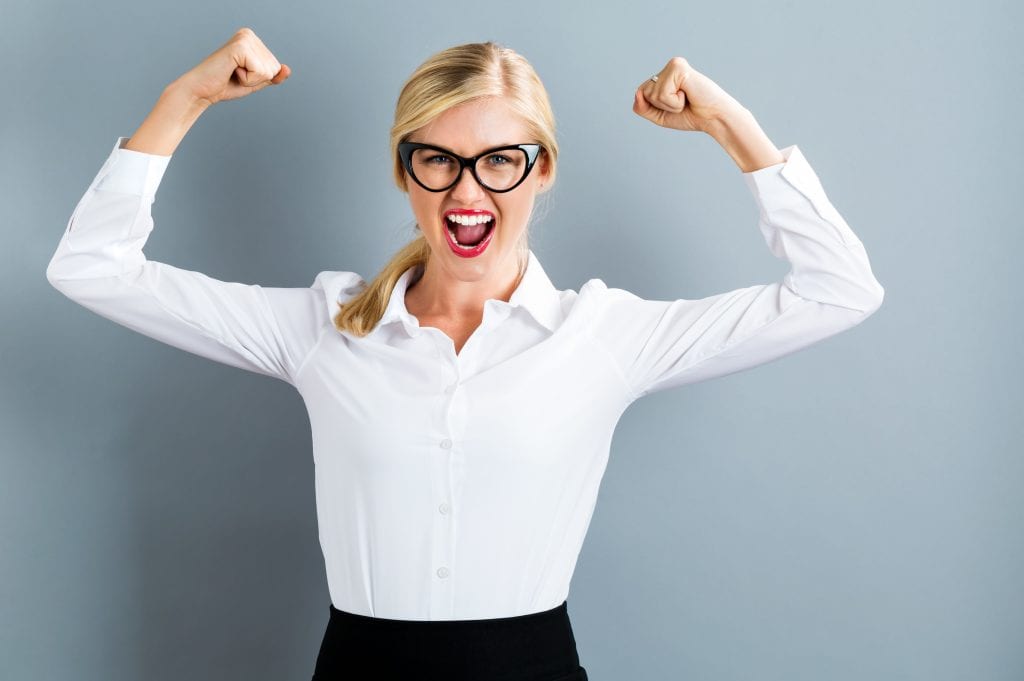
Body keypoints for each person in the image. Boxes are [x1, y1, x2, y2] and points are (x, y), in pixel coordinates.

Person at [46, 27, 884, 681]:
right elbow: (91, 268)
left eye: (499, 162)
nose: (468, 191)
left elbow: (840, 289)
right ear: (405, 172)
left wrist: (730, 126)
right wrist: (184, 97)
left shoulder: (605, 336)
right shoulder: (323, 328)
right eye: (438, 160)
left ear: (542, 169)